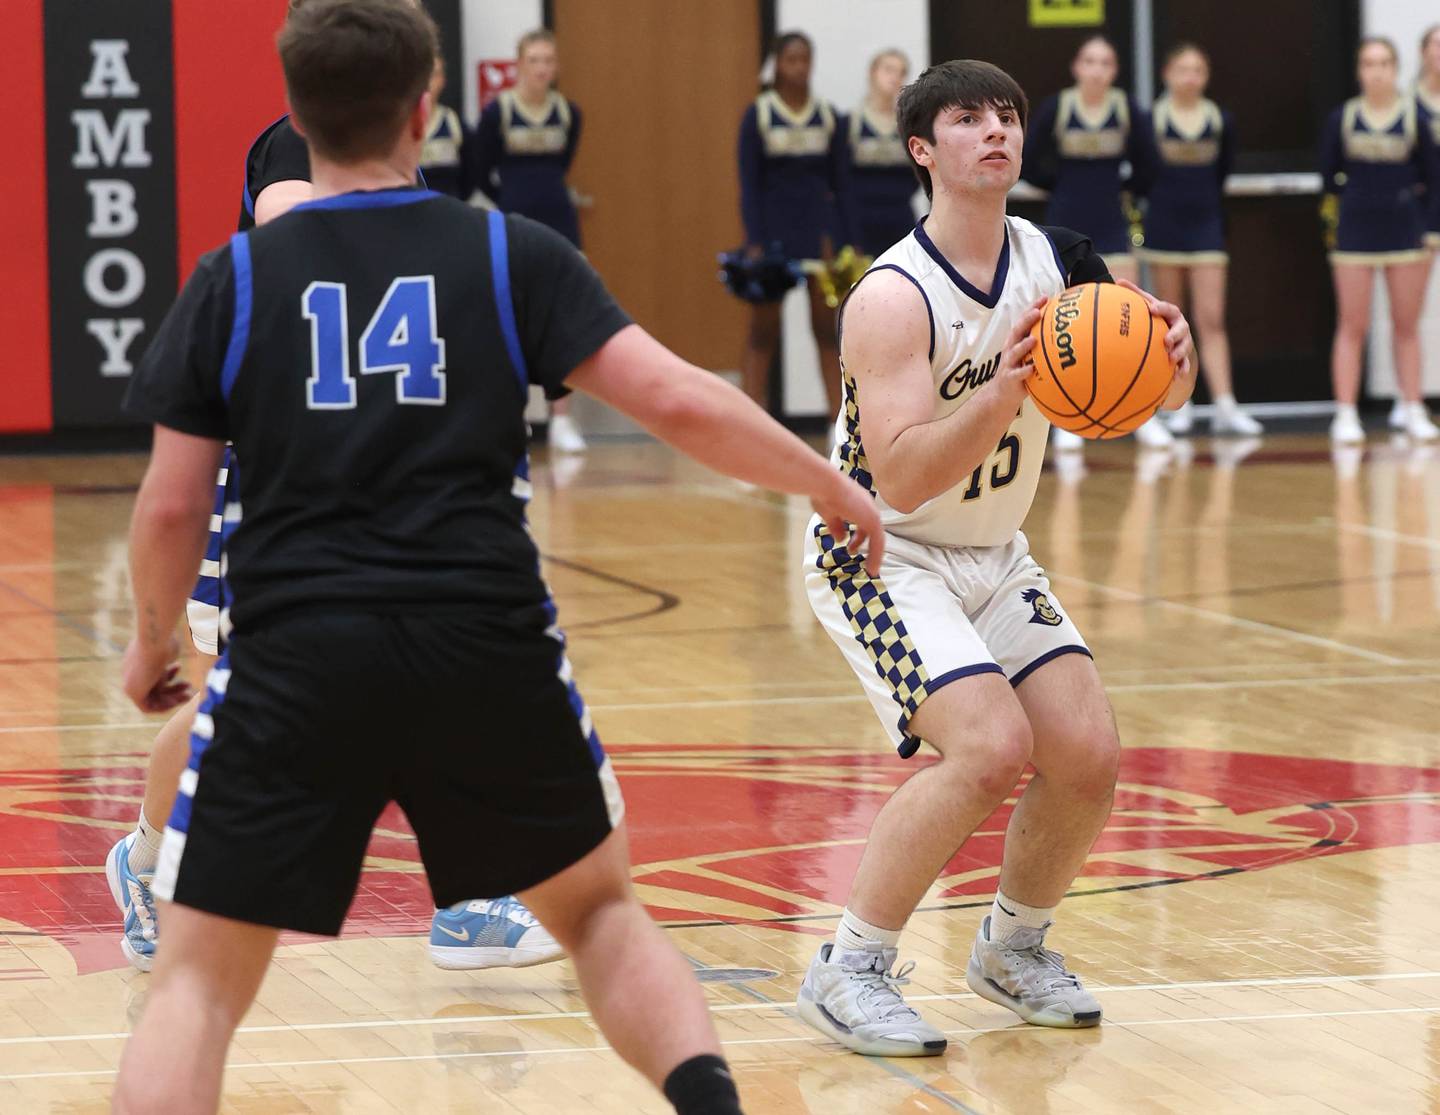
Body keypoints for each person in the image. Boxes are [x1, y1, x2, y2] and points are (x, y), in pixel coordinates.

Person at [111, 2, 881, 1110]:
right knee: (605, 919)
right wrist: (827, 480)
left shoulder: (231, 280)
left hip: (298, 657)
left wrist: (151, 640)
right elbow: (675, 397)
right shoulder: (505, 250)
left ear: (294, 113)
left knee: (196, 983)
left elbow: (174, 504)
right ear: (427, 105)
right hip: (484, 643)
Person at [104, 0, 564, 980]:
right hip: (282, 481)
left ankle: (472, 900)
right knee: (236, 701)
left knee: (443, 662)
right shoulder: (296, 145)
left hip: (385, 479)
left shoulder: (403, 167)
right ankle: (145, 859)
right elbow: (284, 221)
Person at [795, 58, 1194, 1057]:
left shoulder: (1060, 258)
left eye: (1008, 114)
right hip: (878, 555)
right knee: (985, 746)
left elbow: (1127, 398)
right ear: (924, 148)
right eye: (968, 118)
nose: (996, 130)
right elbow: (903, 479)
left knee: (1088, 754)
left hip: (993, 553)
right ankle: (850, 966)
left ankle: (1013, 945)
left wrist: (1168, 362)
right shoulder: (889, 296)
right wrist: (1002, 392)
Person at [1023, 35, 1171, 451]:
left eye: (1105, 62)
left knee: (1131, 314)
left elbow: (1152, 165)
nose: (1097, 69)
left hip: (1111, 220)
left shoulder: (1126, 109)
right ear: (1077, 67)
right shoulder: (1058, 107)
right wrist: (1060, 186)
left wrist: (1123, 188)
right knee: (1061, 321)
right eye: (1089, 61)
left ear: (1114, 70)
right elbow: (1030, 161)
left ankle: (1144, 413)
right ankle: (1061, 417)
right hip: (1065, 220)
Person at [473, 29, 587, 453]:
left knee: (563, 317)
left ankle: (562, 419)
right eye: (534, 60)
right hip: (514, 218)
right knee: (512, 315)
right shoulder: (497, 112)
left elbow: (563, 163)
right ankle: (514, 416)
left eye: (548, 61)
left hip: (560, 219)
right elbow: (482, 170)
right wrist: (508, 202)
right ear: (519, 65)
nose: (542, 69)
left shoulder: (568, 112)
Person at [1140, 43, 1262, 437]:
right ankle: (1179, 403)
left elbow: (1224, 168)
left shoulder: (1219, 118)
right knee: (1172, 320)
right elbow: (1143, 172)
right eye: (1182, 69)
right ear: (1167, 74)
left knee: (1211, 319)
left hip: (1207, 225)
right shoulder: (1151, 119)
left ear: (1205, 76)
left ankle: (1225, 404)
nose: (1189, 77)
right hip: (1164, 226)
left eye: (1197, 70)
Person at [1321, 37, 1438, 444]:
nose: (1377, 71)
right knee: (1352, 325)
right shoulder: (1343, 118)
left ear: (1396, 68)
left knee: (1406, 325)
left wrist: (1425, 227)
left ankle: (1411, 406)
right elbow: (1328, 174)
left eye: (1385, 63)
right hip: (1354, 234)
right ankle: (1346, 411)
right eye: (1369, 63)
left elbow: (1432, 177)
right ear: (1360, 71)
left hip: (1405, 232)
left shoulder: (1413, 118)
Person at [736, 31, 858, 415]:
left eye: (805, 59)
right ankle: (751, 423)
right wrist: (755, 240)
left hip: (818, 235)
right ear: (777, 62)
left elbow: (842, 185)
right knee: (762, 333)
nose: (799, 67)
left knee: (827, 331)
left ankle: (836, 426)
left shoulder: (827, 116)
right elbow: (748, 185)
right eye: (791, 59)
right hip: (772, 235)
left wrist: (842, 240)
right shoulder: (758, 113)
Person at [848, 49, 919, 257]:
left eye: (901, 72)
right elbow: (842, 179)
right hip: (861, 221)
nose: (895, 77)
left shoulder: (909, 126)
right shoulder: (851, 123)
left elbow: (918, 173)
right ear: (872, 73)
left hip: (900, 217)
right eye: (888, 70)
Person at [419, 56, 468, 200]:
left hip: (449, 209)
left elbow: (472, 170)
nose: (428, 81)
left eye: (434, 74)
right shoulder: (395, 126)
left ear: (443, 80)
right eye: (423, 73)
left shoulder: (454, 121)